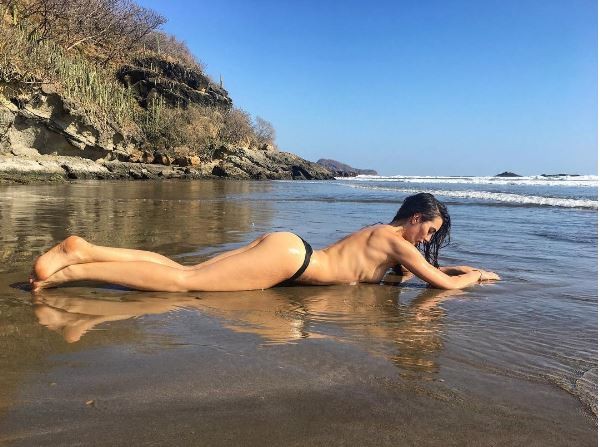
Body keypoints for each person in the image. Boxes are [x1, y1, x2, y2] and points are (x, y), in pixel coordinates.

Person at [30, 192, 500, 292]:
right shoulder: (398, 242)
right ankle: (74, 270)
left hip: (291, 248)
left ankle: (84, 252)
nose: (427, 238)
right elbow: (442, 285)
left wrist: (451, 268)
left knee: (181, 269)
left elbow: (426, 274)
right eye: (430, 231)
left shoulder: (382, 235)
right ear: (416, 218)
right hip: (293, 261)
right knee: (184, 284)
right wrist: (475, 275)